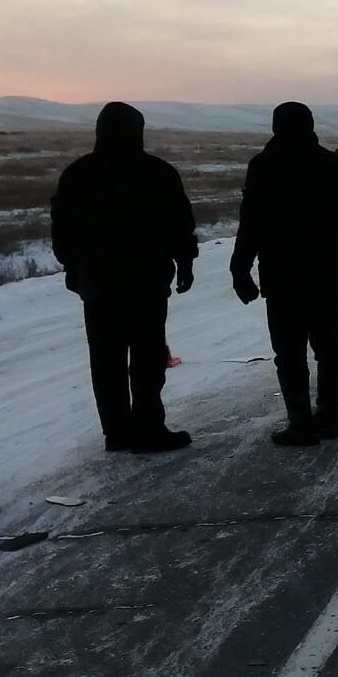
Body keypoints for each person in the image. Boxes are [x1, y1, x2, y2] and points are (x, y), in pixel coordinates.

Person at [50, 102, 198, 453]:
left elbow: (62, 232)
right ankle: (148, 430)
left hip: (98, 285)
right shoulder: (157, 173)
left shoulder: (77, 175)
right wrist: (185, 262)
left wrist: (73, 268)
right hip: (146, 283)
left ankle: (116, 432)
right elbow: (180, 225)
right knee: (147, 358)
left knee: (106, 359)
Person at [230, 102, 338, 446]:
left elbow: (251, 223)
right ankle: (328, 417)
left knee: (289, 354)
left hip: (282, 276)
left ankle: (301, 423)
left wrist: (240, 268)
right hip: (325, 273)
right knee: (329, 348)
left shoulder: (263, 166)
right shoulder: (333, 165)